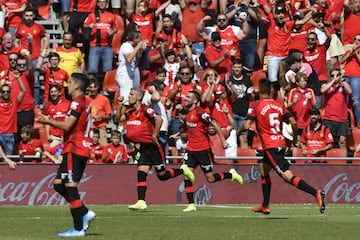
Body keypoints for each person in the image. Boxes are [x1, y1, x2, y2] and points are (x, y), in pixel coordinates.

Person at [239, 78, 326, 214]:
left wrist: (237, 132)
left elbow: (245, 125)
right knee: (263, 170)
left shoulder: (256, 105)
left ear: (259, 90)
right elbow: (294, 122)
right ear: (271, 90)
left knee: (287, 176)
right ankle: (265, 205)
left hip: (270, 146)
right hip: (280, 143)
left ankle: (316, 192)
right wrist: (292, 140)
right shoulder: (279, 105)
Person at [114, 87, 195, 211]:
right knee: (141, 173)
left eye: (131, 94)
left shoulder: (146, 109)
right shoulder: (129, 111)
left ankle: (182, 170)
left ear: (139, 97)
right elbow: (117, 120)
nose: (129, 96)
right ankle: (141, 201)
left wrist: (153, 135)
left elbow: (159, 119)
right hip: (143, 148)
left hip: (153, 147)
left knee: (162, 176)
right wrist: (120, 105)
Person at [36, 73, 96, 237]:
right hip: (76, 146)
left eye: (69, 82)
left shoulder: (77, 101)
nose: (67, 85)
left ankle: (78, 228)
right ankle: (84, 212)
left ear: (77, 86)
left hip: (75, 147)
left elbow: (68, 125)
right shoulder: (85, 101)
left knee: (70, 186)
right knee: (58, 184)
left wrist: (47, 121)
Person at [181, 90, 243, 212]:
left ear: (195, 100)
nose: (185, 98)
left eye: (188, 97)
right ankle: (191, 204)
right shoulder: (188, 114)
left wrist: (223, 141)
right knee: (187, 175)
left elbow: (214, 122)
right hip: (191, 150)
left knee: (210, 179)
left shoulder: (199, 112)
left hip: (203, 150)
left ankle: (231, 174)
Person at [14, 7, 49, 105]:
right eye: (27, 16)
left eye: (30, 15)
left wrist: (42, 55)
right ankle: (23, 102)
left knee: (36, 82)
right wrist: (19, 51)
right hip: (23, 60)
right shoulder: (20, 27)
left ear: (33, 16)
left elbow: (46, 40)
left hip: (35, 59)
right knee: (22, 81)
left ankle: (36, 104)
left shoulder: (39, 27)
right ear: (24, 16)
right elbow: (16, 40)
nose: (29, 18)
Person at [320, 68, 352, 156]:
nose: (335, 77)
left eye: (337, 75)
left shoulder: (343, 86)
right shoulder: (325, 85)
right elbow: (322, 90)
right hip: (329, 118)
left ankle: (344, 163)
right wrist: (333, 80)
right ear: (329, 77)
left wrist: (342, 79)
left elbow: (349, 91)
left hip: (342, 119)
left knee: (342, 142)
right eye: (332, 75)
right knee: (328, 143)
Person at [83, 0, 118, 75]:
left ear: (107, 3)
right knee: (92, 69)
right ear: (98, 3)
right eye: (100, 2)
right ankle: (93, 86)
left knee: (108, 70)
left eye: (104, 2)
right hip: (94, 45)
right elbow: (84, 25)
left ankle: (106, 86)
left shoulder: (111, 16)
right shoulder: (92, 15)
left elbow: (116, 28)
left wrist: (113, 31)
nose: (102, 4)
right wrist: (89, 26)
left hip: (107, 46)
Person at [0, 73, 26, 155]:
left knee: (8, 161)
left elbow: (23, 91)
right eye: (3, 91)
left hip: (10, 135)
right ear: (1, 93)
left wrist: (18, 78)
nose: (6, 93)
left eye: (8, 91)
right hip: (0, 134)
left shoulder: (14, 102)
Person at [88, 77, 112, 146]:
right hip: (89, 129)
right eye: (91, 87)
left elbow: (109, 117)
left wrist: (101, 117)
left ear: (98, 87)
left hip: (100, 128)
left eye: (94, 87)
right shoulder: (85, 99)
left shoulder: (104, 99)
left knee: (103, 150)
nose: (92, 89)